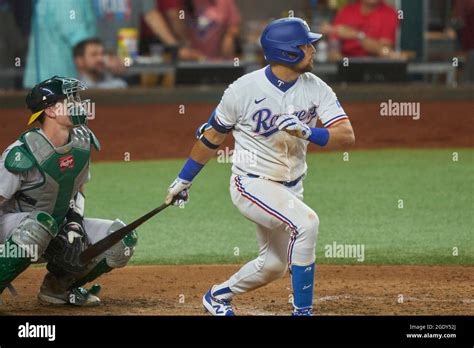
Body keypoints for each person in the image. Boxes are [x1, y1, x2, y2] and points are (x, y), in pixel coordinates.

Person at [164, 17, 355, 316]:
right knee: (306, 224)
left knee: (273, 266)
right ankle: (302, 312)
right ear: (288, 52)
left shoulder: (316, 88)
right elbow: (211, 136)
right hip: (251, 184)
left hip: (291, 188)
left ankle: (216, 296)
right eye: (306, 45)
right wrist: (183, 180)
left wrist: (309, 132)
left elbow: (346, 136)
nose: (313, 50)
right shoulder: (242, 90)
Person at [0, 76, 137, 306]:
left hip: (54, 228)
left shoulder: (81, 144)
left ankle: (58, 288)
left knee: (121, 240)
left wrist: (74, 223)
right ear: (51, 111)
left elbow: (77, 188)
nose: (79, 104)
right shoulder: (23, 153)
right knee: (39, 225)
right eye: (70, 99)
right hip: (12, 232)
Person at [23, 0, 96, 88]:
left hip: (46, 82)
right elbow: (78, 38)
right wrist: (105, 61)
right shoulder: (64, 2)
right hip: (57, 85)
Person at [320, 0, 400, 59]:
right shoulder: (346, 11)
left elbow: (385, 51)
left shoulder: (389, 13)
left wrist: (357, 35)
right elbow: (333, 47)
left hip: (377, 64)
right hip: (347, 63)